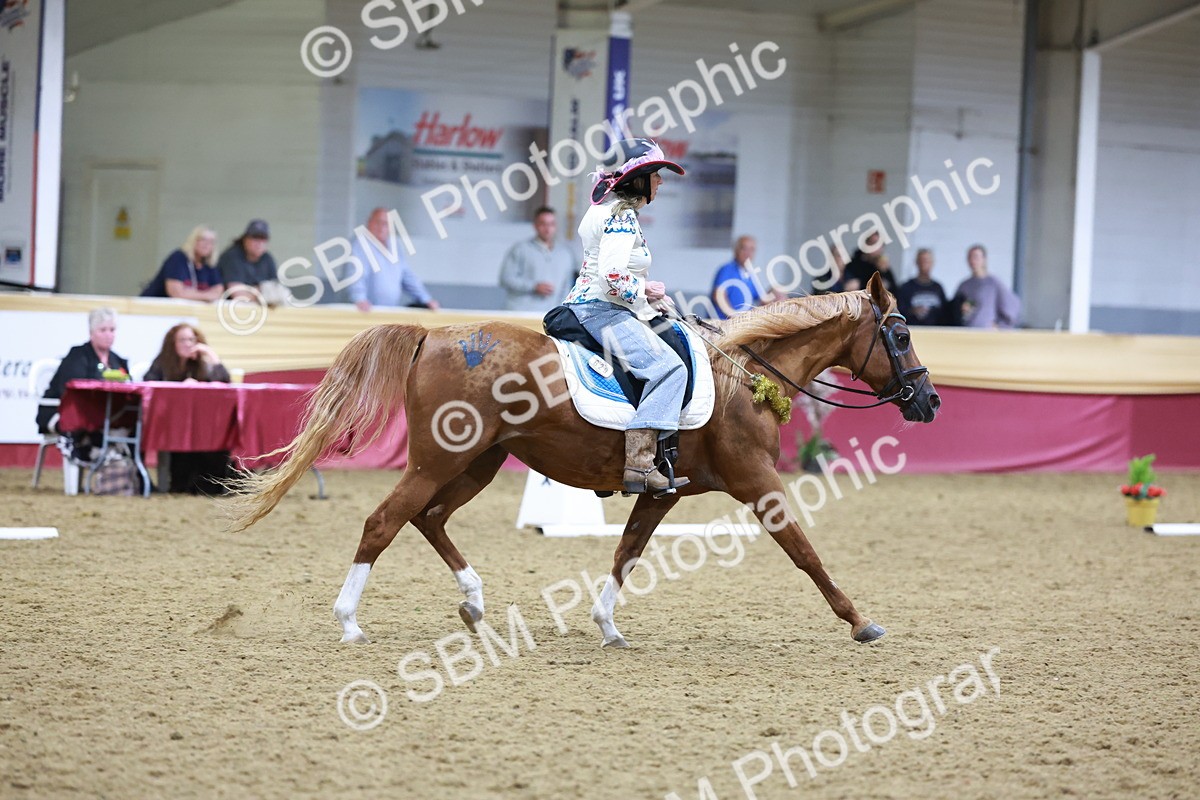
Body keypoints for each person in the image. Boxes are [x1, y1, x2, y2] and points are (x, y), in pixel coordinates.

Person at [563, 138, 689, 495]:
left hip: (585, 305)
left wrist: (650, 304)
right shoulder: (622, 217)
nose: (661, 182)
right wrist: (646, 290)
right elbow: (613, 278)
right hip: (603, 310)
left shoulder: (601, 209)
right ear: (639, 179)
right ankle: (640, 464)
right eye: (657, 175)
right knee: (669, 369)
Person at [144, 323, 233, 494]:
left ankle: (211, 483)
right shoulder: (162, 362)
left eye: (192, 340)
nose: (188, 344)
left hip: (201, 424)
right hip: (171, 423)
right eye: (182, 340)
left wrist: (209, 353)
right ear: (173, 343)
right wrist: (178, 387)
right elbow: (150, 384)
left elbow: (224, 382)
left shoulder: (201, 364)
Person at [36, 308, 130, 445]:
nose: (108, 335)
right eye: (103, 330)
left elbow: (129, 387)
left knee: (134, 423)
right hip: (62, 413)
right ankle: (98, 460)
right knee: (91, 424)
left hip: (106, 415)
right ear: (91, 332)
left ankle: (129, 464)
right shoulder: (77, 357)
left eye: (112, 330)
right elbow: (70, 393)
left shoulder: (118, 361)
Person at [347, 207, 440, 311]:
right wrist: (360, 298)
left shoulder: (394, 246)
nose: (381, 227)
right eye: (378, 222)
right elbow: (356, 275)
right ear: (369, 223)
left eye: (386, 224)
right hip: (366, 311)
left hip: (388, 311)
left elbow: (407, 277)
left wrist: (426, 299)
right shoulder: (360, 245)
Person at [498, 206, 578, 313]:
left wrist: (561, 312)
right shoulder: (520, 249)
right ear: (535, 225)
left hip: (550, 315)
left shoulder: (565, 254)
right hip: (520, 312)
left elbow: (566, 288)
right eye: (543, 224)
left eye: (551, 224)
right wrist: (533, 286)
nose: (547, 228)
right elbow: (506, 279)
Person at [141, 226, 225, 301]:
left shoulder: (209, 264)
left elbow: (218, 291)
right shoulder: (178, 258)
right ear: (193, 241)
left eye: (211, 242)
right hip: (153, 308)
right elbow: (176, 292)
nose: (207, 245)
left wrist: (191, 294)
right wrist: (206, 296)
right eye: (203, 239)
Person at [710, 236, 780, 319]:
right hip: (724, 324)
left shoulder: (750, 275)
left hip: (742, 324)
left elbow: (762, 298)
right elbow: (718, 296)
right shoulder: (727, 270)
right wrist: (734, 317)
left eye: (752, 249)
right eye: (744, 248)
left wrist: (777, 294)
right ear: (736, 250)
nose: (748, 253)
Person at [952, 244, 1021, 328]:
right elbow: (955, 312)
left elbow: (1013, 307)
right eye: (970, 257)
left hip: (986, 334)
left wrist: (1000, 326)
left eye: (976, 257)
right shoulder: (964, 285)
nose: (973, 261)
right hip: (967, 332)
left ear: (984, 259)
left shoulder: (994, 283)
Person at [217, 219, 281, 302]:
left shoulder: (267, 258)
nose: (259, 243)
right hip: (230, 308)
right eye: (255, 238)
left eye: (263, 238)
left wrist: (259, 291)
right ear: (245, 239)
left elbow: (275, 292)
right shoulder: (232, 256)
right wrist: (261, 290)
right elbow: (239, 296)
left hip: (259, 308)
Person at [896, 248, 949, 325]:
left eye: (927, 261)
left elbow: (945, 312)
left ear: (932, 263)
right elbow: (898, 312)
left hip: (935, 332)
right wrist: (912, 311)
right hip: (913, 330)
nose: (924, 264)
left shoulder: (938, 288)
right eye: (922, 260)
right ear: (916, 262)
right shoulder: (906, 287)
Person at [842, 231, 897, 295]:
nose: (875, 247)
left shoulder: (882, 267)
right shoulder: (853, 264)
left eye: (879, 245)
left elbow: (894, 292)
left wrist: (884, 272)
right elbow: (850, 285)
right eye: (873, 243)